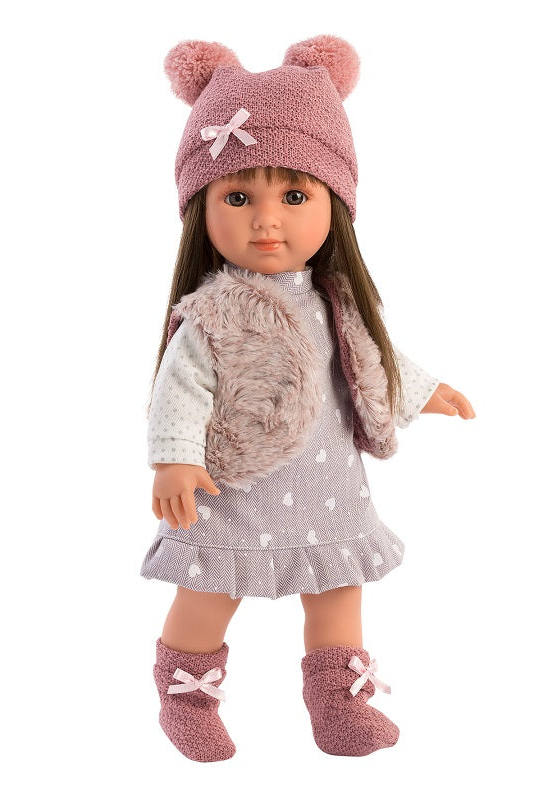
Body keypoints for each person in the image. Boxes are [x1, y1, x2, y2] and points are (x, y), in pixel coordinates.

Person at [140, 35, 475, 762]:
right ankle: (185, 697)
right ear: (201, 210)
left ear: (336, 205)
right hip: (233, 489)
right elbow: (179, 389)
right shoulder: (213, 313)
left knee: (339, 590)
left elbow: (371, 358)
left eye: (294, 196)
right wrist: (173, 460)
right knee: (209, 590)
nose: (267, 220)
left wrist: (423, 390)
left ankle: (339, 703)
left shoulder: (336, 302)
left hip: (328, 491)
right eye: (238, 197)